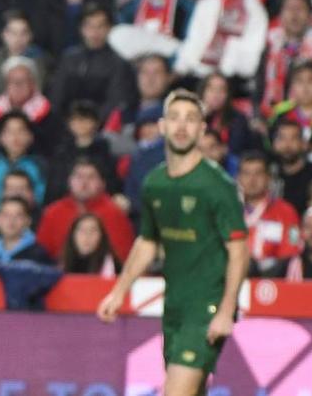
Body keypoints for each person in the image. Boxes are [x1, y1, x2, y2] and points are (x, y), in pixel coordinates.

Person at [98, 90, 249, 396]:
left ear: (203, 130)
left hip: (206, 305)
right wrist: (119, 291)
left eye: (191, 119)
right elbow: (148, 241)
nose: (182, 126)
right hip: (175, 304)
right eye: (175, 118)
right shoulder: (155, 183)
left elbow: (239, 250)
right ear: (162, 126)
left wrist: (226, 309)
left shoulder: (217, 186)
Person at [237, 151, 303, 278]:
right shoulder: (230, 212)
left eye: (258, 173)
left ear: (268, 178)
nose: (252, 180)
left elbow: (292, 248)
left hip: (275, 282)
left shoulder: (287, 212)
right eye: (246, 173)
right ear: (238, 178)